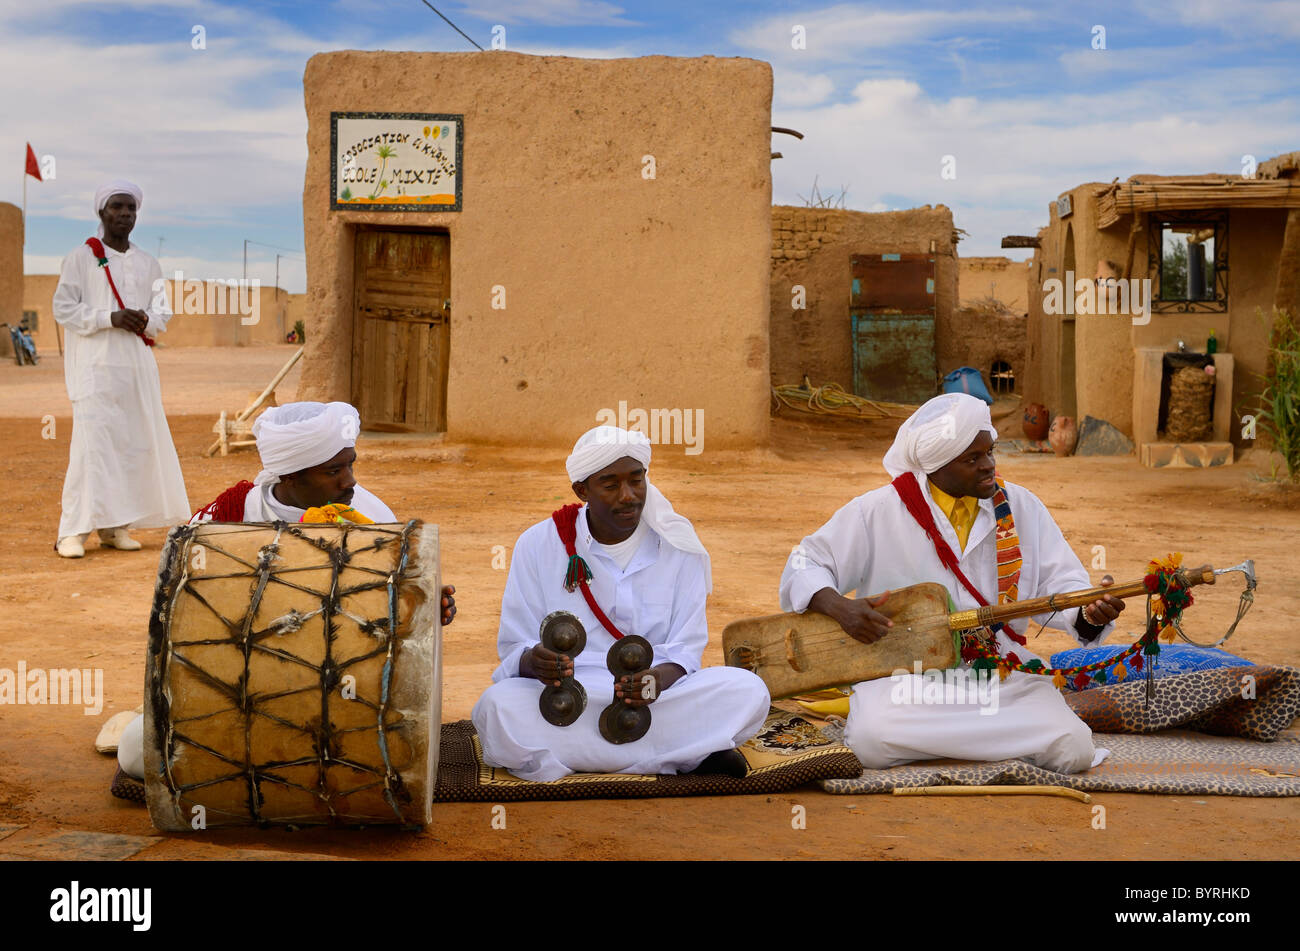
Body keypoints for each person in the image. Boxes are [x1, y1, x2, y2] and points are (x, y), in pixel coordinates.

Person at [778, 393, 1126, 774]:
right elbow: (804, 562)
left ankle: (947, 742)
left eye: (990, 451)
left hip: (1001, 673)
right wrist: (840, 607)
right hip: (906, 677)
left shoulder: (1020, 507)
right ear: (936, 466)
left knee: (1073, 748)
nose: (989, 466)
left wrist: (1089, 613)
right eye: (972, 459)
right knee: (871, 739)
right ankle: (997, 742)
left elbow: (1065, 584)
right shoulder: (878, 511)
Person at [115, 399, 456, 782]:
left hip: (342, 698)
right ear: (289, 476)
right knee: (134, 751)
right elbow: (179, 608)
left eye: (350, 464)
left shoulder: (370, 515)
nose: (350, 481)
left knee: (404, 757)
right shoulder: (232, 513)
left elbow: (397, 616)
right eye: (333, 470)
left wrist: (425, 605)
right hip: (238, 693)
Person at [471, 425, 770, 782]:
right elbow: (514, 647)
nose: (628, 496)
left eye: (636, 480)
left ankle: (584, 759)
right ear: (582, 490)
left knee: (748, 690)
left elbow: (685, 651)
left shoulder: (678, 547)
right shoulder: (538, 544)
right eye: (611, 485)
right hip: (566, 697)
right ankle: (679, 758)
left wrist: (654, 681)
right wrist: (536, 661)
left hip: (654, 697)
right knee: (497, 708)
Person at [53, 180, 189, 557]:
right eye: (117, 206)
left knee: (130, 445)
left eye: (131, 208)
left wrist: (145, 320)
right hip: (94, 369)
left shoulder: (148, 263)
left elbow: (164, 312)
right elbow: (63, 308)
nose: (125, 214)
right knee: (91, 447)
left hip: (136, 370)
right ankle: (73, 532)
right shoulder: (81, 258)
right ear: (102, 212)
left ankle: (115, 527)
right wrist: (108, 317)